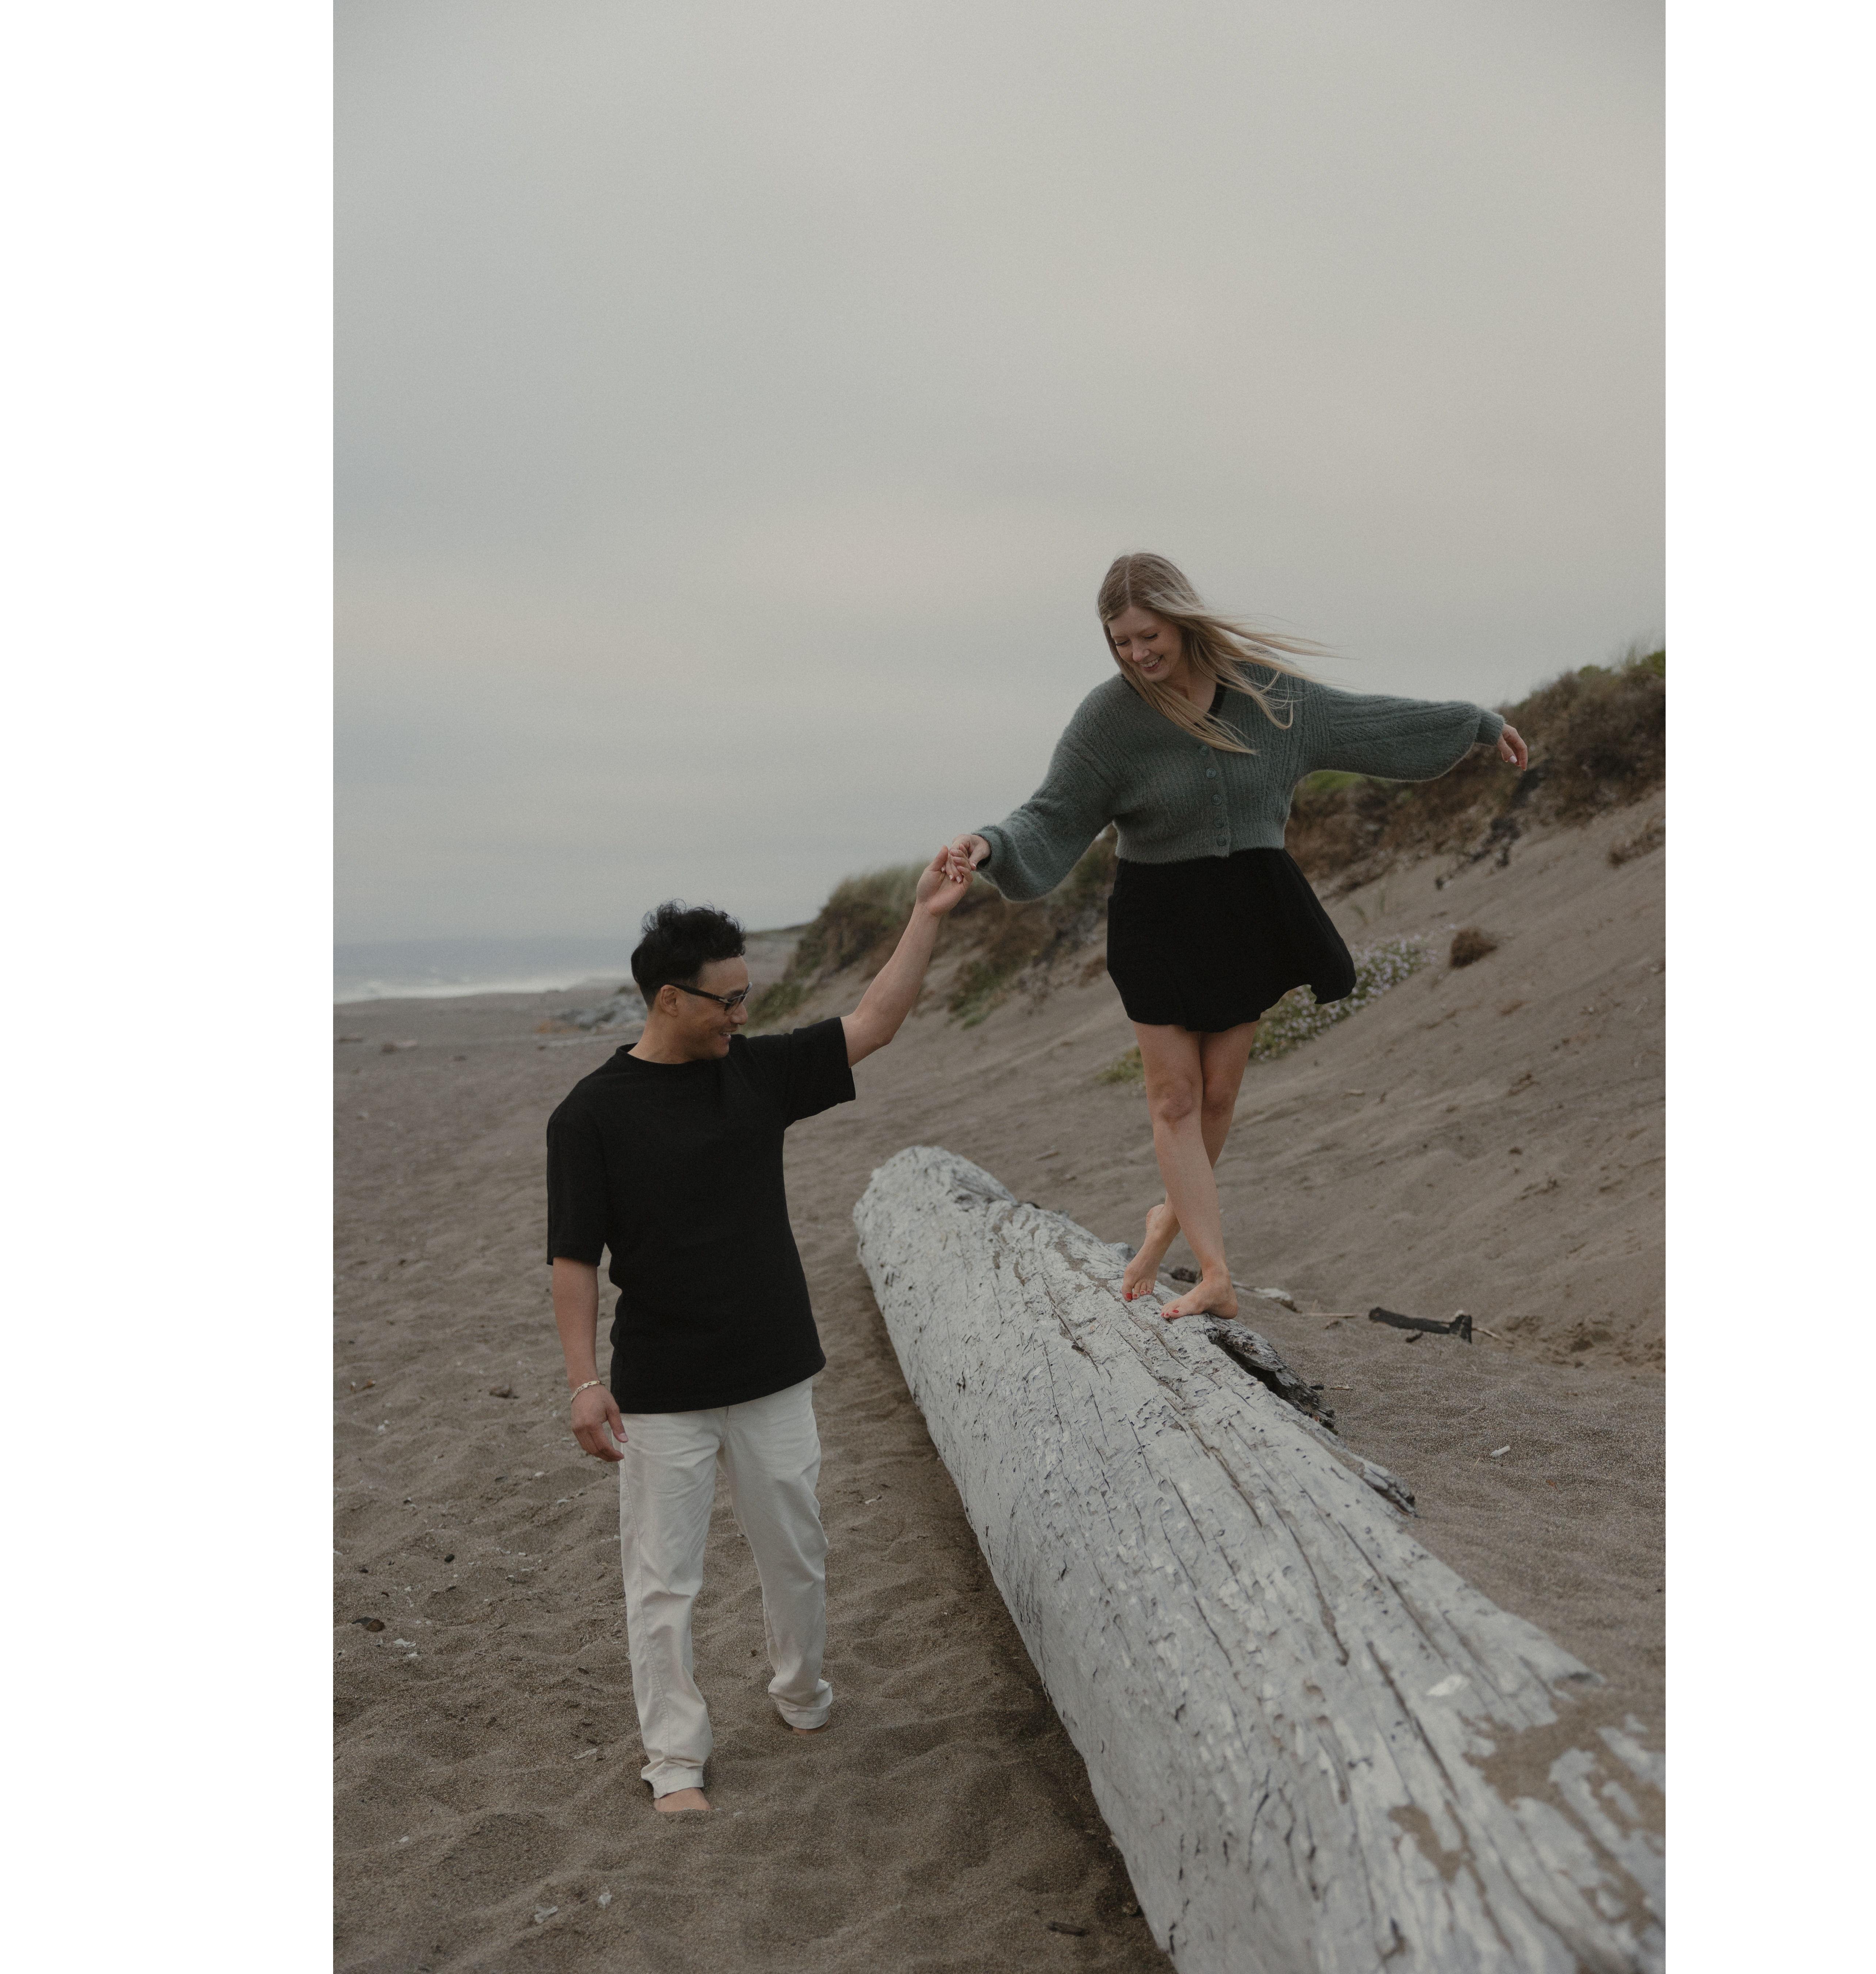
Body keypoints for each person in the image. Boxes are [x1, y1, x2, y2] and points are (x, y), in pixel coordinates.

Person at [947, 552, 1528, 1324]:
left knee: (1218, 1096)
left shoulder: (1268, 697)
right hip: (1157, 915)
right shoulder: (1109, 719)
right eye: (1121, 642)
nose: (1137, 654)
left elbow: (1367, 724)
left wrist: (1476, 725)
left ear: (1181, 621)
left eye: (1149, 636)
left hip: (1249, 909)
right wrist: (991, 845)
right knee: (1174, 1098)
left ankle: (1166, 1223)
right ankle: (1216, 1274)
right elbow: (1053, 812)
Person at [546, 854, 970, 1814]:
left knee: (798, 1555)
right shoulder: (590, 1116)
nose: (742, 1017)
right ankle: (674, 1760)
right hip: (662, 1389)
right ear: (669, 999)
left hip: (775, 1371)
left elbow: (876, 1022)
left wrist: (928, 915)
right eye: (728, 1001)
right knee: (664, 1582)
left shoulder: (757, 1073)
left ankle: (801, 1691)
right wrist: (582, 1381)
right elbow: (573, 1260)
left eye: (747, 999)